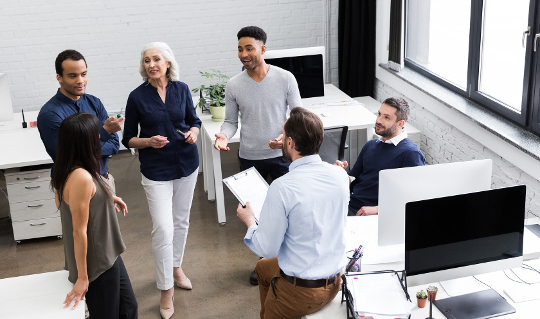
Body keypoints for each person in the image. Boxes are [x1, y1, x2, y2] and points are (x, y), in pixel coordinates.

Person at [237, 107, 349, 319]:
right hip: (335, 280)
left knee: (265, 258)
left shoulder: (281, 187)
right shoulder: (340, 175)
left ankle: (275, 309)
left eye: (284, 135)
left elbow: (267, 248)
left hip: (302, 293)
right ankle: (270, 308)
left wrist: (250, 221)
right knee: (262, 269)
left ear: (289, 143)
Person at [214, 25, 302, 285]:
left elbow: (298, 115)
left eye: (249, 48)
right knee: (257, 214)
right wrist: (223, 135)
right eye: (240, 49)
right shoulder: (234, 85)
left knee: (289, 210)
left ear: (263, 49)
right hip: (250, 157)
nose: (244, 54)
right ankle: (264, 263)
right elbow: (230, 122)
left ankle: (290, 261)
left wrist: (284, 137)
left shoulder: (285, 78)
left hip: (283, 156)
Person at [122, 42, 201, 319]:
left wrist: (193, 132)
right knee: (164, 229)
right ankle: (165, 290)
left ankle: (176, 267)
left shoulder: (182, 89)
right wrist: (148, 141)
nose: (151, 64)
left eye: (156, 59)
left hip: (187, 165)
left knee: (181, 221)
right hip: (156, 170)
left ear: (168, 62)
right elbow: (127, 137)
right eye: (146, 60)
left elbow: (195, 120)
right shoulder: (137, 97)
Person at [51, 112, 137, 319]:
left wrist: (109, 198)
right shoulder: (80, 177)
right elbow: (78, 232)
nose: (99, 136)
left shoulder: (71, 167)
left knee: (128, 308)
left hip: (109, 251)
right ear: (84, 141)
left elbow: (81, 199)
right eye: (95, 134)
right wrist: (82, 278)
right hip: (97, 261)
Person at [38, 49, 123, 184]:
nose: (80, 81)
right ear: (59, 77)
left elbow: (113, 145)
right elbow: (66, 157)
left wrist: (83, 149)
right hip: (73, 184)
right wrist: (104, 132)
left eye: (83, 74)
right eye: (72, 76)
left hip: (103, 178)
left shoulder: (94, 102)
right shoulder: (50, 114)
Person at [335, 97, 425, 216]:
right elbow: (353, 178)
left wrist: (378, 209)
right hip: (349, 205)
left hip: (374, 215)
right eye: (379, 114)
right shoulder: (371, 145)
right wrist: (338, 173)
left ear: (400, 123)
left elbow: (415, 198)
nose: (379, 120)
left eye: (386, 117)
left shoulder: (411, 154)